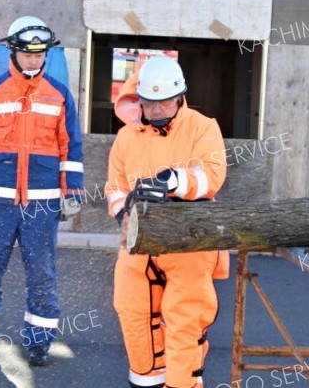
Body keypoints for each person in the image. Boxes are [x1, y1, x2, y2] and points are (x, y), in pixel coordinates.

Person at [0, 16, 83, 367]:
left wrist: (72, 191)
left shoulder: (59, 95)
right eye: (27, 54)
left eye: (40, 54)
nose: (33, 60)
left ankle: (39, 342)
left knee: (42, 273)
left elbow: (70, 148)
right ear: (13, 51)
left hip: (42, 204)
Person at [106, 55, 229, 388]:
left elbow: (212, 174)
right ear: (140, 99)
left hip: (189, 241)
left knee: (184, 322)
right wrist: (122, 212)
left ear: (179, 97)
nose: (156, 109)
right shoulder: (126, 138)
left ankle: (182, 385)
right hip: (139, 242)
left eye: (163, 103)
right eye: (150, 103)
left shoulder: (203, 127)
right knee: (133, 314)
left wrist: (174, 181)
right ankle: (145, 381)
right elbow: (115, 187)